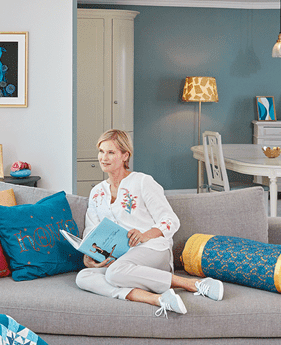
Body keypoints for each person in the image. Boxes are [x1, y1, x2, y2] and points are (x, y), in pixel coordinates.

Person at [75, 129, 224, 317]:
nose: (103, 158)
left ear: (124, 155)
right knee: (83, 277)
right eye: (101, 151)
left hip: (152, 250)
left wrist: (145, 234)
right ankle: (158, 299)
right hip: (119, 260)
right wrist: (89, 257)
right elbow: (92, 232)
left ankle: (193, 284)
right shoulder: (96, 192)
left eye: (111, 152)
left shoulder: (142, 182)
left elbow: (170, 221)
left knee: (114, 273)